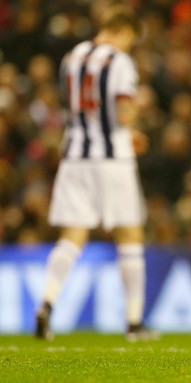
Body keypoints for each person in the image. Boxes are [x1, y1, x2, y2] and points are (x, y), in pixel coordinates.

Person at [35, 6, 155, 342]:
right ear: (125, 31)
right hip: (112, 159)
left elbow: (79, 109)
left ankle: (46, 303)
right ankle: (134, 323)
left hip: (74, 155)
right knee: (129, 234)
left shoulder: (72, 57)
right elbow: (122, 110)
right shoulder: (119, 61)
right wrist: (134, 123)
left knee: (72, 236)